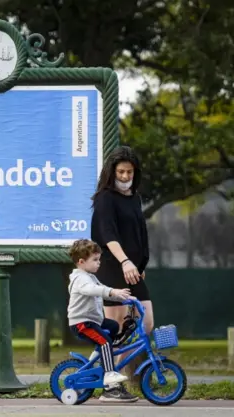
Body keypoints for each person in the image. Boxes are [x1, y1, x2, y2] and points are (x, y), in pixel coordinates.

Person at [90, 146, 153, 403]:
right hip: (115, 269)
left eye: (130, 171)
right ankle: (110, 385)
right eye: (121, 171)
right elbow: (107, 234)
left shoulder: (135, 198)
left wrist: (141, 264)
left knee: (145, 323)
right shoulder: (105, 198)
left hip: (135, 271)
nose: (126, 176)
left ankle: (118, 372)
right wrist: (125, 261)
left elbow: (139, 234)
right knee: (114, 329)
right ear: (111, 172)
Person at [67, 238, 136, 401]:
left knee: (112, 326)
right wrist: (113, 291)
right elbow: (94, 290)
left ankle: (101, 354)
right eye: (95, 260)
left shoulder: (89, 276)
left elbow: (102, 291)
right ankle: (109, 377)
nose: (99, 263)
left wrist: (125, 298)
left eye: (99, 259)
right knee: (105, 342)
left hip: (93, 320)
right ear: (81, 261)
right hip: (82, 323)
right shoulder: (80, 279)